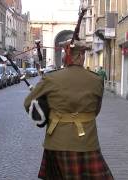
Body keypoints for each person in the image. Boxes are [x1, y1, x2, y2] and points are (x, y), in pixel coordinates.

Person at [24, 40, 114, 180]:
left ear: (67, 56)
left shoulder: (51, 78)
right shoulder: (96, 79)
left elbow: (28, 103)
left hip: (57, 142)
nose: (84, 58)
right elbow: (96, 111)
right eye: (83, 55)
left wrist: (46, 112)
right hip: (87, 142)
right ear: (80, 56)